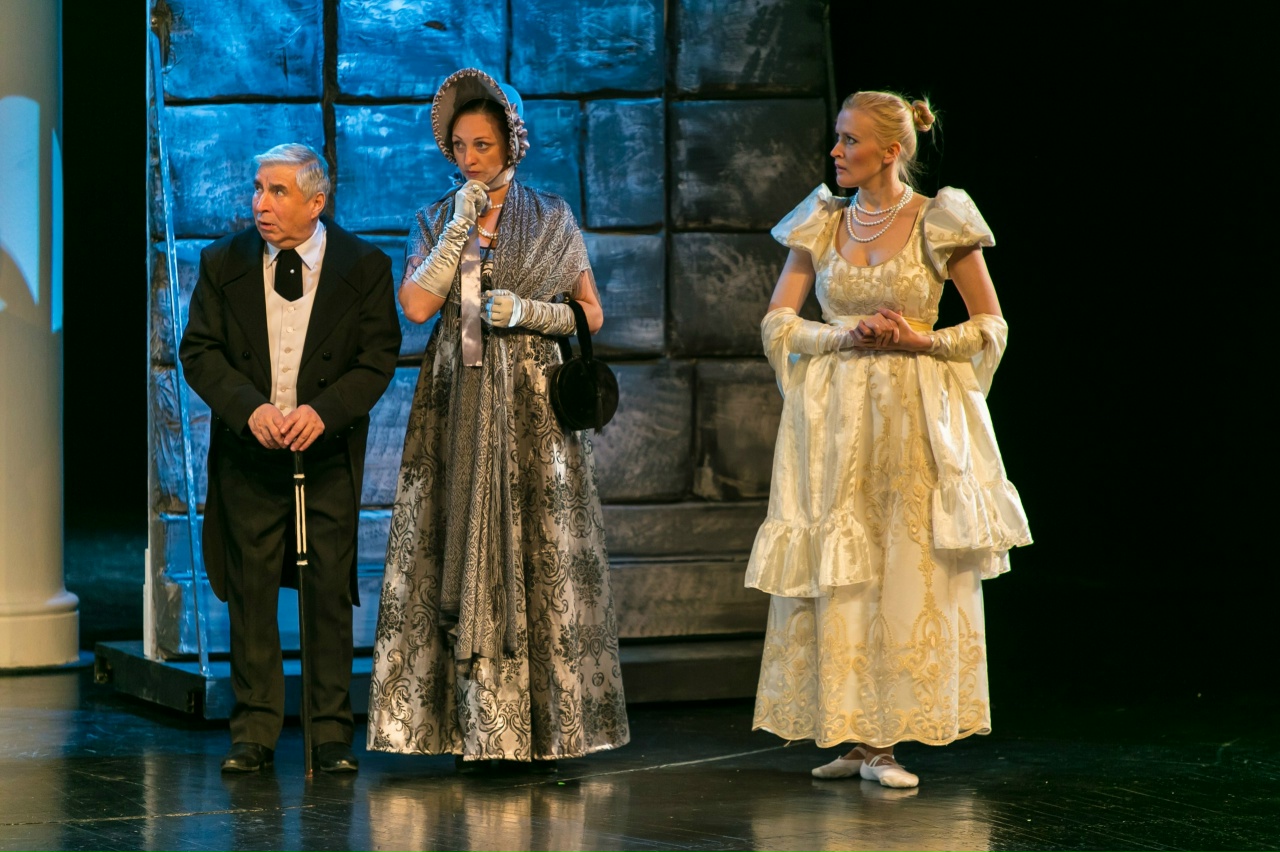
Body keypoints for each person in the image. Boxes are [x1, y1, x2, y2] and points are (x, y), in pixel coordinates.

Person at [745, 92, 1032, 788]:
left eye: (849, 140)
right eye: (838, 138)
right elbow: (778, 321)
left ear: (890, 151)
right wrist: (843, 336)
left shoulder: (940, 219)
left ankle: (886, 743)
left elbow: (990, 326)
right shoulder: (822, 221)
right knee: (844, 566)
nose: (836, 152)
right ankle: (854, 736)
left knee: (904, 565)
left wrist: (918, 340)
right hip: (835, 423)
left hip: (913, 419)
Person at [366, 68, 628, 766]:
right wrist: (459, 226)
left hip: (532, 406)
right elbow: (417, 307)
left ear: (512, 142)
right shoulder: (435, 217)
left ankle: (546, 729)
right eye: (459, 146)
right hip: (455, 399)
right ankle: (464, 729)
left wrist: (529, 312)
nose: (470, 158)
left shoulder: (551, 217)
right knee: (448, 543)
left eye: (482, 145)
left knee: (537, 547)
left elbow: (592, 314)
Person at [179, 143, 402, 773]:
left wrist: (324, 412)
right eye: (258, 188)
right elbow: (200, 352)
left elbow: (377, 357)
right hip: (251, 454)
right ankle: (253, 730)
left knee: (326, 591)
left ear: (316, 201)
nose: (261, 203)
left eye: (277, 191)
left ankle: (330, 733)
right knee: (250, 590)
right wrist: (249, 409)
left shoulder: (363, 266)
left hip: (324, 456)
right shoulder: (223, 262)